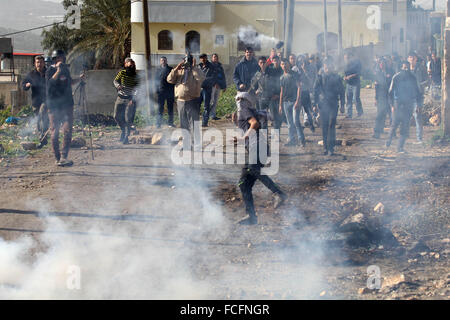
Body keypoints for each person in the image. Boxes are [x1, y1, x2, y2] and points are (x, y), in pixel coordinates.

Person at [233, 91, 287, 225]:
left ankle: (278, 193)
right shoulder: (251, 111)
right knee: (244, 183)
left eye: (241, 99)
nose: (239, 102)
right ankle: (251, 216)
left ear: (246, 101)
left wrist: (243, 138)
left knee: (253, 169)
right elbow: (262, 119)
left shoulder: (245, 110)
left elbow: (254, 124)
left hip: (257, 147)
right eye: (238, 99)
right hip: (257, 148)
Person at [46, 49, 84, 166]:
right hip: (54, 106)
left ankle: (64, 156)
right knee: (55, 131)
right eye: (57, 58)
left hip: (67, 104)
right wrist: (58, 70)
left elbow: (69, 82)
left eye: (61, 58)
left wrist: (79, 79)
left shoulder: (66, 70)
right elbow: (50, 84)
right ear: (54, 60)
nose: (60, 60)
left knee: (67, 130)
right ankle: (57, 157)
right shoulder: (50, 71)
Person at [167, 53, 205, 151]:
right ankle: (187, 144)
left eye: (189, 60)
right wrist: (176, 68)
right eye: (185, 60)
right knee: (183, 124)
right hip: (180, 101)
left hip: (192, 100)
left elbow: (201, 78)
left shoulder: (195, 70)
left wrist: (194, 67)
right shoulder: (179, 71)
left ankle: (197, 145)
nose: (186, 62)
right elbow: (169, 80)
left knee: (194, 124)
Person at [386, 61, 422, 153]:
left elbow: (418, 92)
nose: (405, 70)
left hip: (409, 104)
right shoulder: (396, 77)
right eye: (404, 68)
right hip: (397, 103)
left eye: (407, 68)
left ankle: (400, 148)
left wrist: (418, 104)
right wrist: (392, 105)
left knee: (405, 126)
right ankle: (388, 141)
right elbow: (390, 93)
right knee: (394, 124)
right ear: (401, 67)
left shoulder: (413, 77)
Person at [313, 59, 345, 156]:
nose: (327, 68)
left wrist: (343, 104)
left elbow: (342, 92)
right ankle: (325, 148)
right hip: (323, 105)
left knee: (332, 125)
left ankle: (331, 147)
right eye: (326, 66)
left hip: (333, 104)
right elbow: (315, 91)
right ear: (324, 66)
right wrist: (314, 104)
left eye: (329, 66)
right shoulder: (320, 77)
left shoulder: (337, 77)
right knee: (325, 126)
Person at [22, 55, 49, 148]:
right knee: (38, 120)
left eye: (41, 62)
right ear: (35, 63)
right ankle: (42, 139)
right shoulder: (31, 74)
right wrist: (27, 84)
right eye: (37, 62)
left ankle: (44, 135)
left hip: (47, 100)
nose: (39, 64)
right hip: (36, 101)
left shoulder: (48, 72)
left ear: (44, 63)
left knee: (42, 114)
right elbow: (23, 85)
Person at [279, 59, 305, 147]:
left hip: (294, 102)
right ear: (281, 66)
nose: (284, 66)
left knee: (296, 121)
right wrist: (280, 105)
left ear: (289, 65)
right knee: (289, 124)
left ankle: (301, 140)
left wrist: (298, 101)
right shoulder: (282, 77)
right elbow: (281, 91)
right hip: (286, 102)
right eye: (282, 64)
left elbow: (299, 87)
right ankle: (291, 140)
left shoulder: (294, 75)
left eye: (285, 64)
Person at [113, 57, 139, 144]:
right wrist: (118, 86)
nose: (130, 64)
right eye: (128, 63)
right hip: (120, 98)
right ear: (125, 64)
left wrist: (133, 99)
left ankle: (126, 137)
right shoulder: (122, 72)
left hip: (129, 99)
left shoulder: (135, 76)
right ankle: (123, 130)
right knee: (116, 116)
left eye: (131, 63)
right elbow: (115, 81)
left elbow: (138, 88)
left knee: (128, 119)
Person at [408, 51, 428, 143]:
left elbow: (427, 80)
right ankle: (404, 137)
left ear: (416, 58)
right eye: (410, 57)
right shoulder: (406, 68)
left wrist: (420, 85)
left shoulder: (421, 68)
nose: (411, 59)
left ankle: (419, 138)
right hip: (407, 96)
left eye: (413, 57)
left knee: (417, 116)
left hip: (418, 96)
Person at [373, 58, 392, 139]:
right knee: (380, 115)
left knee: (391, 116)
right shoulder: (378, 74)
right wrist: (376, 99)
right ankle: (377, 132)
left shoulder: (391, 72)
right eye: (380, 63)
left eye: (383, 63)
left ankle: (392, 134)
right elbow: (376, 87)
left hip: (390, 96)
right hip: (381, 96)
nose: (381, 64)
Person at [262, 55, 283, 130]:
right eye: (274, 60)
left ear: (279, 61)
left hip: (275, 97)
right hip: (266, 96)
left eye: (277, 60)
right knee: (263, 119)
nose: (275, 62)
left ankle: (276, 138)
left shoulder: (281, 70)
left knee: (276, 118)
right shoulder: (268, 69)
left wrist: (278, 95)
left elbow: (283, 85)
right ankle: (263, 138)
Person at [155, 56, 175, 128]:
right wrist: (157, 90)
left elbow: (174, 80)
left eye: (164, 60)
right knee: (160, 108)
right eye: (162, 60)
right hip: (161, 92)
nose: (163, 61)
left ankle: (170, 123)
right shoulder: (157, 70)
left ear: (166, 61)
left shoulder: (170, 69)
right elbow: (155, 81)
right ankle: (158, 124)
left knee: (170, 108)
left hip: (170, 91)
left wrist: (173, 91)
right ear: (160, 61)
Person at [343, 52, 363, 118]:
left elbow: (359, 73)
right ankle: (349, 114)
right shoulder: (346, 65)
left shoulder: (356, 63)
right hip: (348, 84)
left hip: (356, 84)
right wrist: (345, 77)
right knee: (348, 99)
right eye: (345, 58)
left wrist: (351, 76)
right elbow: (345, 73)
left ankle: (360, 112)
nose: (346, 60)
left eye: (347, 58)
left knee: (355, 99)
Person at [198, 53, 216, 127]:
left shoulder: (211, 66)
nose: (203, 59)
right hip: (198, 89)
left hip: (207, 88)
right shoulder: (199, 66)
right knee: (197, 105)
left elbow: (213, 77)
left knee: (206, 106)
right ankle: (195, 121)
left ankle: (204, 122)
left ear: (206, 58)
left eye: (204, 58)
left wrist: (203, 80)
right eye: (201, 58)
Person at [209, 53, 227, 121]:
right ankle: (207, 114)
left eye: (216, 57)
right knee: (211, 101)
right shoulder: (210, 66)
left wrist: (224, 86)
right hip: (212, 86)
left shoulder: (220, 66)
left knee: (215, 101)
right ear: (212, 58)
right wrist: (214, 83)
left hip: (219, 86)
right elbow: (209, 76)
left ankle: (213, 115)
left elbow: (223, 76)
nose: (215, 58)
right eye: (214, 57)